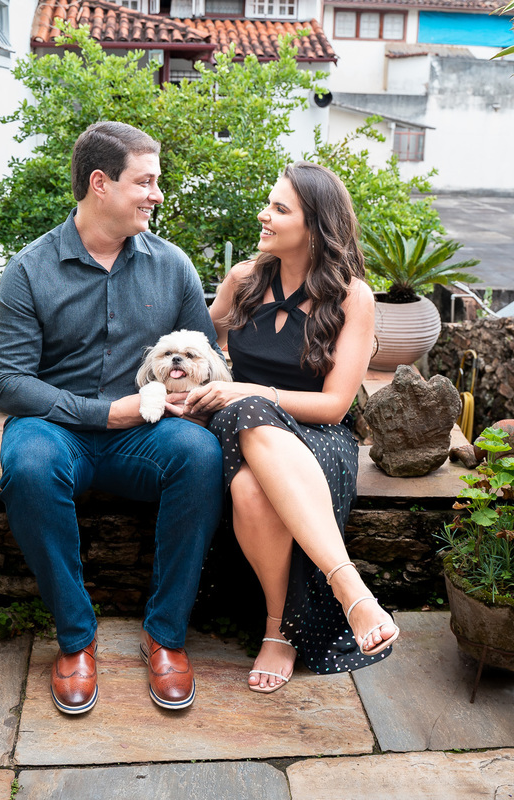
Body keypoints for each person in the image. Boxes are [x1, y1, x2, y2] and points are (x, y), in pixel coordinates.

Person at [0, 121, 223, 715]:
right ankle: (75, 638)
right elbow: (8, 383)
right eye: (145, 182)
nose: (157, 194)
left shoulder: (173, 268)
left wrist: (185, 403)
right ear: (101, 183)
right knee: (28, 463)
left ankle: (166, 635)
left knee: (199, 456)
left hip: (142, 436)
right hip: (56, 429)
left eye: (156, 182)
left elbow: (210, 360)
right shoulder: (29, 270)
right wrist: (102, 413)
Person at [184, 161, 399, 693]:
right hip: (239, 428)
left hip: (319, 435)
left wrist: (252, 391)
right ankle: (349, 593)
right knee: (246, 422)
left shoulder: (353, 297)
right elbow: (193, 344)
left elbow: (334, 406)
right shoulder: (242, 282)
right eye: (270, 203)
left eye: (280, 208)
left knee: (254, 489)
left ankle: (280, 630)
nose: (264, 215)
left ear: (316, 225)